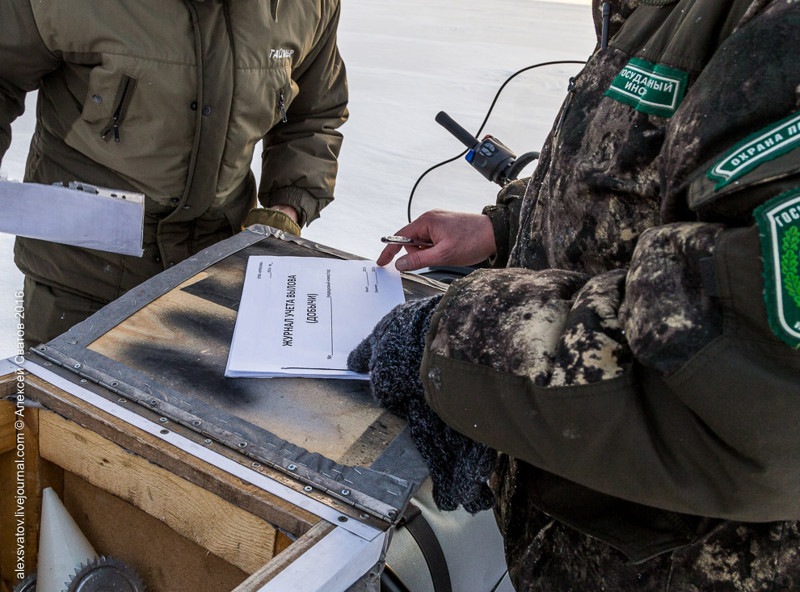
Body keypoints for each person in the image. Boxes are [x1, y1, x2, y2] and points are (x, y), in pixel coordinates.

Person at [348, 0, 800, 589]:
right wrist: (505, 228)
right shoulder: (652, 13)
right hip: (575, 541)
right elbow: (643, 187)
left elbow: (762, 389)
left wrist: (459, 337)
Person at [0, 0, 348, 348]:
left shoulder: (306, 6)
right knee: (63, 402)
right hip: (80, 275)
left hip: (217, 273)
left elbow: (313, 117)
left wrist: (287, 207)